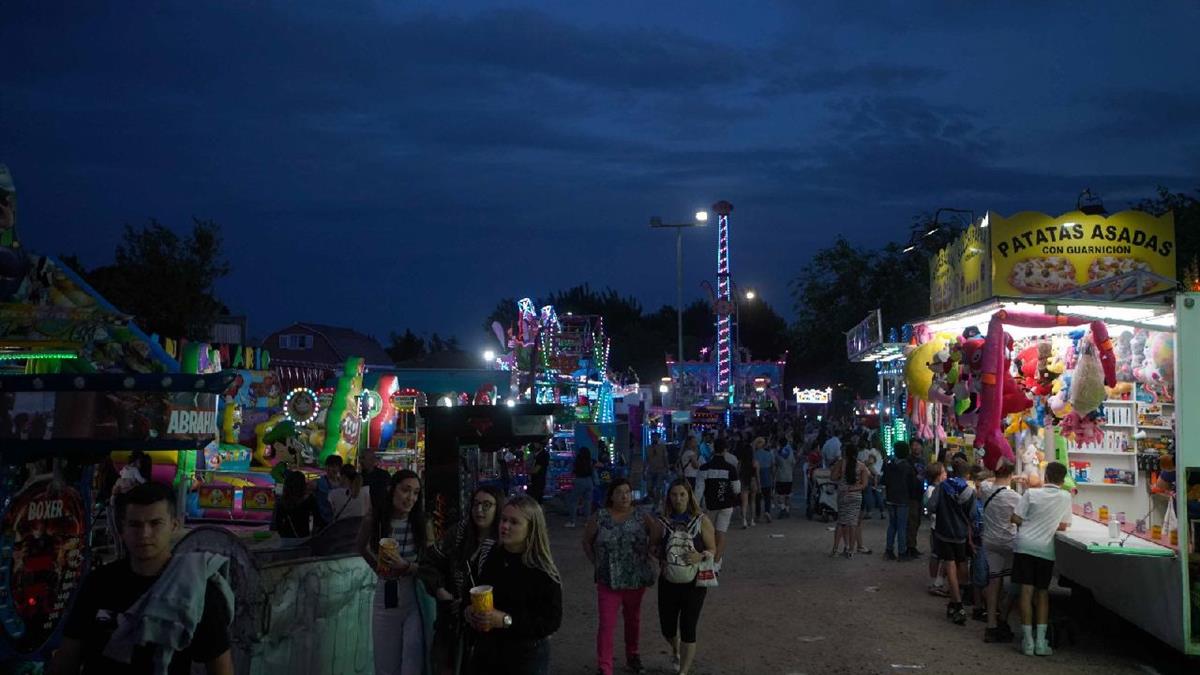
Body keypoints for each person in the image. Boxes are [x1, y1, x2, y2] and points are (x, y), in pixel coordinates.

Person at [50, 482, 234, 675]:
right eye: (135, 525)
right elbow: (67, 658)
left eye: (155, 523)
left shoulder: (195, 590)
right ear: (122, 530)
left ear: (174, 525)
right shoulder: (98, 582)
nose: (145, 534)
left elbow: (221, 669)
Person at [466, 495, 562, 675]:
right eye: (503, 519)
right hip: (488, 652)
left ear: (531, 528)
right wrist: (470, 612)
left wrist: (506, 620)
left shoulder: (542, 569)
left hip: (525, 655)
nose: (505, 526)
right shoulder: (492, 556)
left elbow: (551, 622)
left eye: (514, 522)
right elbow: (473, 590)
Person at [358, 469, 436, 675]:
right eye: (405, 490)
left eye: (416, 493)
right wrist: (378, 569)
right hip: (385, 596)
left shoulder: (422, 522)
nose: (410, 498)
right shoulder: (375, 519)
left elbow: (432, 566)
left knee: (413, 664)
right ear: (392, 490)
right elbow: (360, 547)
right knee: (386, 665)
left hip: (415, 598)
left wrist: (406, 566)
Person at [582, 478, 659, 675]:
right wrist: (597, 563)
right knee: (607, 624)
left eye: (627, 492)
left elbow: (656, 533)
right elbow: (587, 542)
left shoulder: (641, 516)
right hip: (608, 580)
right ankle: (605, 665)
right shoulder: (600, 517)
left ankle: (633, 655)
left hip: (635, 579)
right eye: (619, 492)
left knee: (633, 620)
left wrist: (650, 550)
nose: (624, 496)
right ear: (611, 496)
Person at [429, 485, 505, 675]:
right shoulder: (459, 534)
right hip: (454, 624)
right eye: (476, 504)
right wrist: (439, 589)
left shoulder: (504, 541)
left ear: (498, 508)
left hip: (490, 627)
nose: (479, 510)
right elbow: (429, 562)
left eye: (487, 505)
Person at [1011, 461, 1072, 657]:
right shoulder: (1065, 497)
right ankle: (1040, 642)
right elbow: (1063, 525)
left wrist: (1029, 521)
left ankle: (1027, 642)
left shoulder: (1031, 493)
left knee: (1026, 592)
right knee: (1043, 594)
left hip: (1024, 546)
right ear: (1062, 480)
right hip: (1045, 550)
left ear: (1045, 477)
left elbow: (1015, 518)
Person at [656, 480, 715, 675]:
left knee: (689, 627)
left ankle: (683, 672)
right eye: (673, 495)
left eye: (682, 494)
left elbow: (712, 549)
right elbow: (652, 546)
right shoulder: (663, 521)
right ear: (668, 497)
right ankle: (675, 648)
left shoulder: (701, 520)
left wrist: (700, 555)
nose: (678, 499)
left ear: (689, 496)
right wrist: (660, 556)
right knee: (668, 629)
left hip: (694, 583)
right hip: (668, 581)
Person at [927, 458, 975, 625]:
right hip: (961, 534)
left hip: (944, 532)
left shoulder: (941, 487)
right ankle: (957, 598)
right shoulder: (969, 491)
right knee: (961, 564)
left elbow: (931, 506)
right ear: (967, 474)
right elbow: (973, 514)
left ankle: (957, 603)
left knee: (950, 566)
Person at [980, 461, 1021, 643]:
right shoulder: (1015, 497)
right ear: (1011, 475)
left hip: (989, 541)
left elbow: (987, 481)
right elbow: (1021, 518)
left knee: (994, 581)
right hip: (1009, 543)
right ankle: (1003, 616)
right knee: (1013, 583)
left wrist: (998, 475)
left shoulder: (986, 488)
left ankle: (991, 624)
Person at [695, 438, 740, 567]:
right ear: (725, 450)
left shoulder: (704, 468)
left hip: (710, 505)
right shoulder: (731, 468)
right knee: (721, 532)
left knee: (708, 533)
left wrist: (696, 507)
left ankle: (709, 558)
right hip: (726, 505)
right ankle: (716, 562)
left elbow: (698, 491)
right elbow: (737, 489)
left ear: (713, 449)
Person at [829, 443, 868, 558]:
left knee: (841, 522)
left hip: (843, 495)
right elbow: (864, 484)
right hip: (856, 496)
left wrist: (841, 475)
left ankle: (835, 549)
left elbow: (833, 477)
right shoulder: (861, 466)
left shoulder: (841, 463)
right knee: (853, 523)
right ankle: (851, 550)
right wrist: (853, 488)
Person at [880, 441, 918, 561]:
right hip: (903, 499)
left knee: (892, 525)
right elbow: (913, 484)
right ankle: (902, 553)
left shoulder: (889, 465)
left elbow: (883, 481)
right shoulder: (908, 467)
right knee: (902, 526)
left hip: (891, 498)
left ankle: (889, 550)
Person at [272, 470, 317, 544]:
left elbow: (277, 523)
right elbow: (317, 519)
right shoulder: (310, 499)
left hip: (286, 538)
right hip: (304, 537)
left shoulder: (282, 501)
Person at [906, 438, 928, 557]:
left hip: (920, 494)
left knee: (917, 521)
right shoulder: (908, 461)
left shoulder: (923, 460)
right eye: (913, 445)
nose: (915, 447)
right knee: (912, 521)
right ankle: (910, 547)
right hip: (911, 495)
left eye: (917, 445)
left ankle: (912, 545)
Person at [567, 446, 598, 528]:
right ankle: (587, 522)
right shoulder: (591, 461)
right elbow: (594, 472)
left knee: (573, 502)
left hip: (579, 481)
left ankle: (572, 521)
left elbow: (571, 471)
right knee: (587, 503)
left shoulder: (577, 461)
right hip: (589, 482)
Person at [314, 454, 343, 528]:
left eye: (333, 466)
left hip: (338, 520)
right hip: (323, 520)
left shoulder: (343, 483)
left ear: (339, 468)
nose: (330, 469)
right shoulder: (320, 482)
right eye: (328, 466)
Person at [735, 440, 758, 529]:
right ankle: (752, 520)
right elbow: (757, 475)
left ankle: (744, 520)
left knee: (744, 502)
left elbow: (737, 473)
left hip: (743, 481)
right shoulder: (754, 462)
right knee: (753, 501)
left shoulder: (740, 463)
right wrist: (759, 485)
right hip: (753, 482)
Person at [858, 443, 884, 519]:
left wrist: (863, 463)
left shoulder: (873, 450)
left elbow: (870, 462)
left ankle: (869, 512)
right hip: (878, 474)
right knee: (878, 494)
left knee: (867, 494)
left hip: (871, 474)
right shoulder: (881, 453)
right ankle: (882, 512)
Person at [772, 435, 796, 519]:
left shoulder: (777, 453)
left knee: (780, 494)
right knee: (788, 495)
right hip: (789, 476)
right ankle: (787, 510)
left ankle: (782, 509)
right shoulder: (791, 452)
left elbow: (775, 464)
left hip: (780, 476)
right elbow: (794, 463)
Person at [361, 448, 392, 512]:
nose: (361, 461)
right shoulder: (359, 476)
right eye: (361, 458)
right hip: (364, 512)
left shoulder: (384, 475)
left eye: (363, 458)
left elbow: (390, 491)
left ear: (372, 460)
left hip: (381, 511)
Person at [754, 437, 775, 524]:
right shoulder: (769, 454)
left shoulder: (754, 454)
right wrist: (773, 477)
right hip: (767, 475)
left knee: (757, 498)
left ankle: (758, 515)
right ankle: (767, 512)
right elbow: (773, 466)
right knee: (767, 497)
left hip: (757, 476)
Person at [646, 434, 669, 505]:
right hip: (651, 470)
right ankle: (654, 500)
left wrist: (667, 468)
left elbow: (665, 458)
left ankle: (656, 504)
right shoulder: (648, 448)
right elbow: (646, 460)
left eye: (655, 438)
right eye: (653, 438)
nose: (654, 439)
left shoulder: (662, 447)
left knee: (658, 488)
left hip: (660, 470)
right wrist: (644, 470)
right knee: (649, 488)